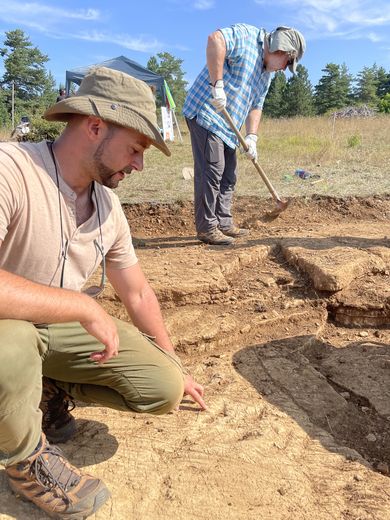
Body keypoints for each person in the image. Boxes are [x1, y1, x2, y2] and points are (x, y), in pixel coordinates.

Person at [0, 67, 206, 519]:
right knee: (10, 347)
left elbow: (136, 292)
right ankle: (25, 460)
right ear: (95, 127)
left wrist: (176, 363)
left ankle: (44, 389)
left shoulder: (108, 204)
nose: (139, 164)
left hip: (54, 334)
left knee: (163, 388)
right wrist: (79, 304)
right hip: (5, 331)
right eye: (135, 148)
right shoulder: (11, 170)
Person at [183, 24, 306, 245]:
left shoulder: (266, 75)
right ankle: (207, 227)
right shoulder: (248, 37)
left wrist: (252, 137)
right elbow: (215, 39)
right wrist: (217, 84)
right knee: (212, 170)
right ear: (281, 50)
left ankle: (224, 222)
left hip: (229, 127)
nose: (283, 68)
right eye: (286, 63)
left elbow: (256, 105)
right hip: (206, 112)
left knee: (229, 175)